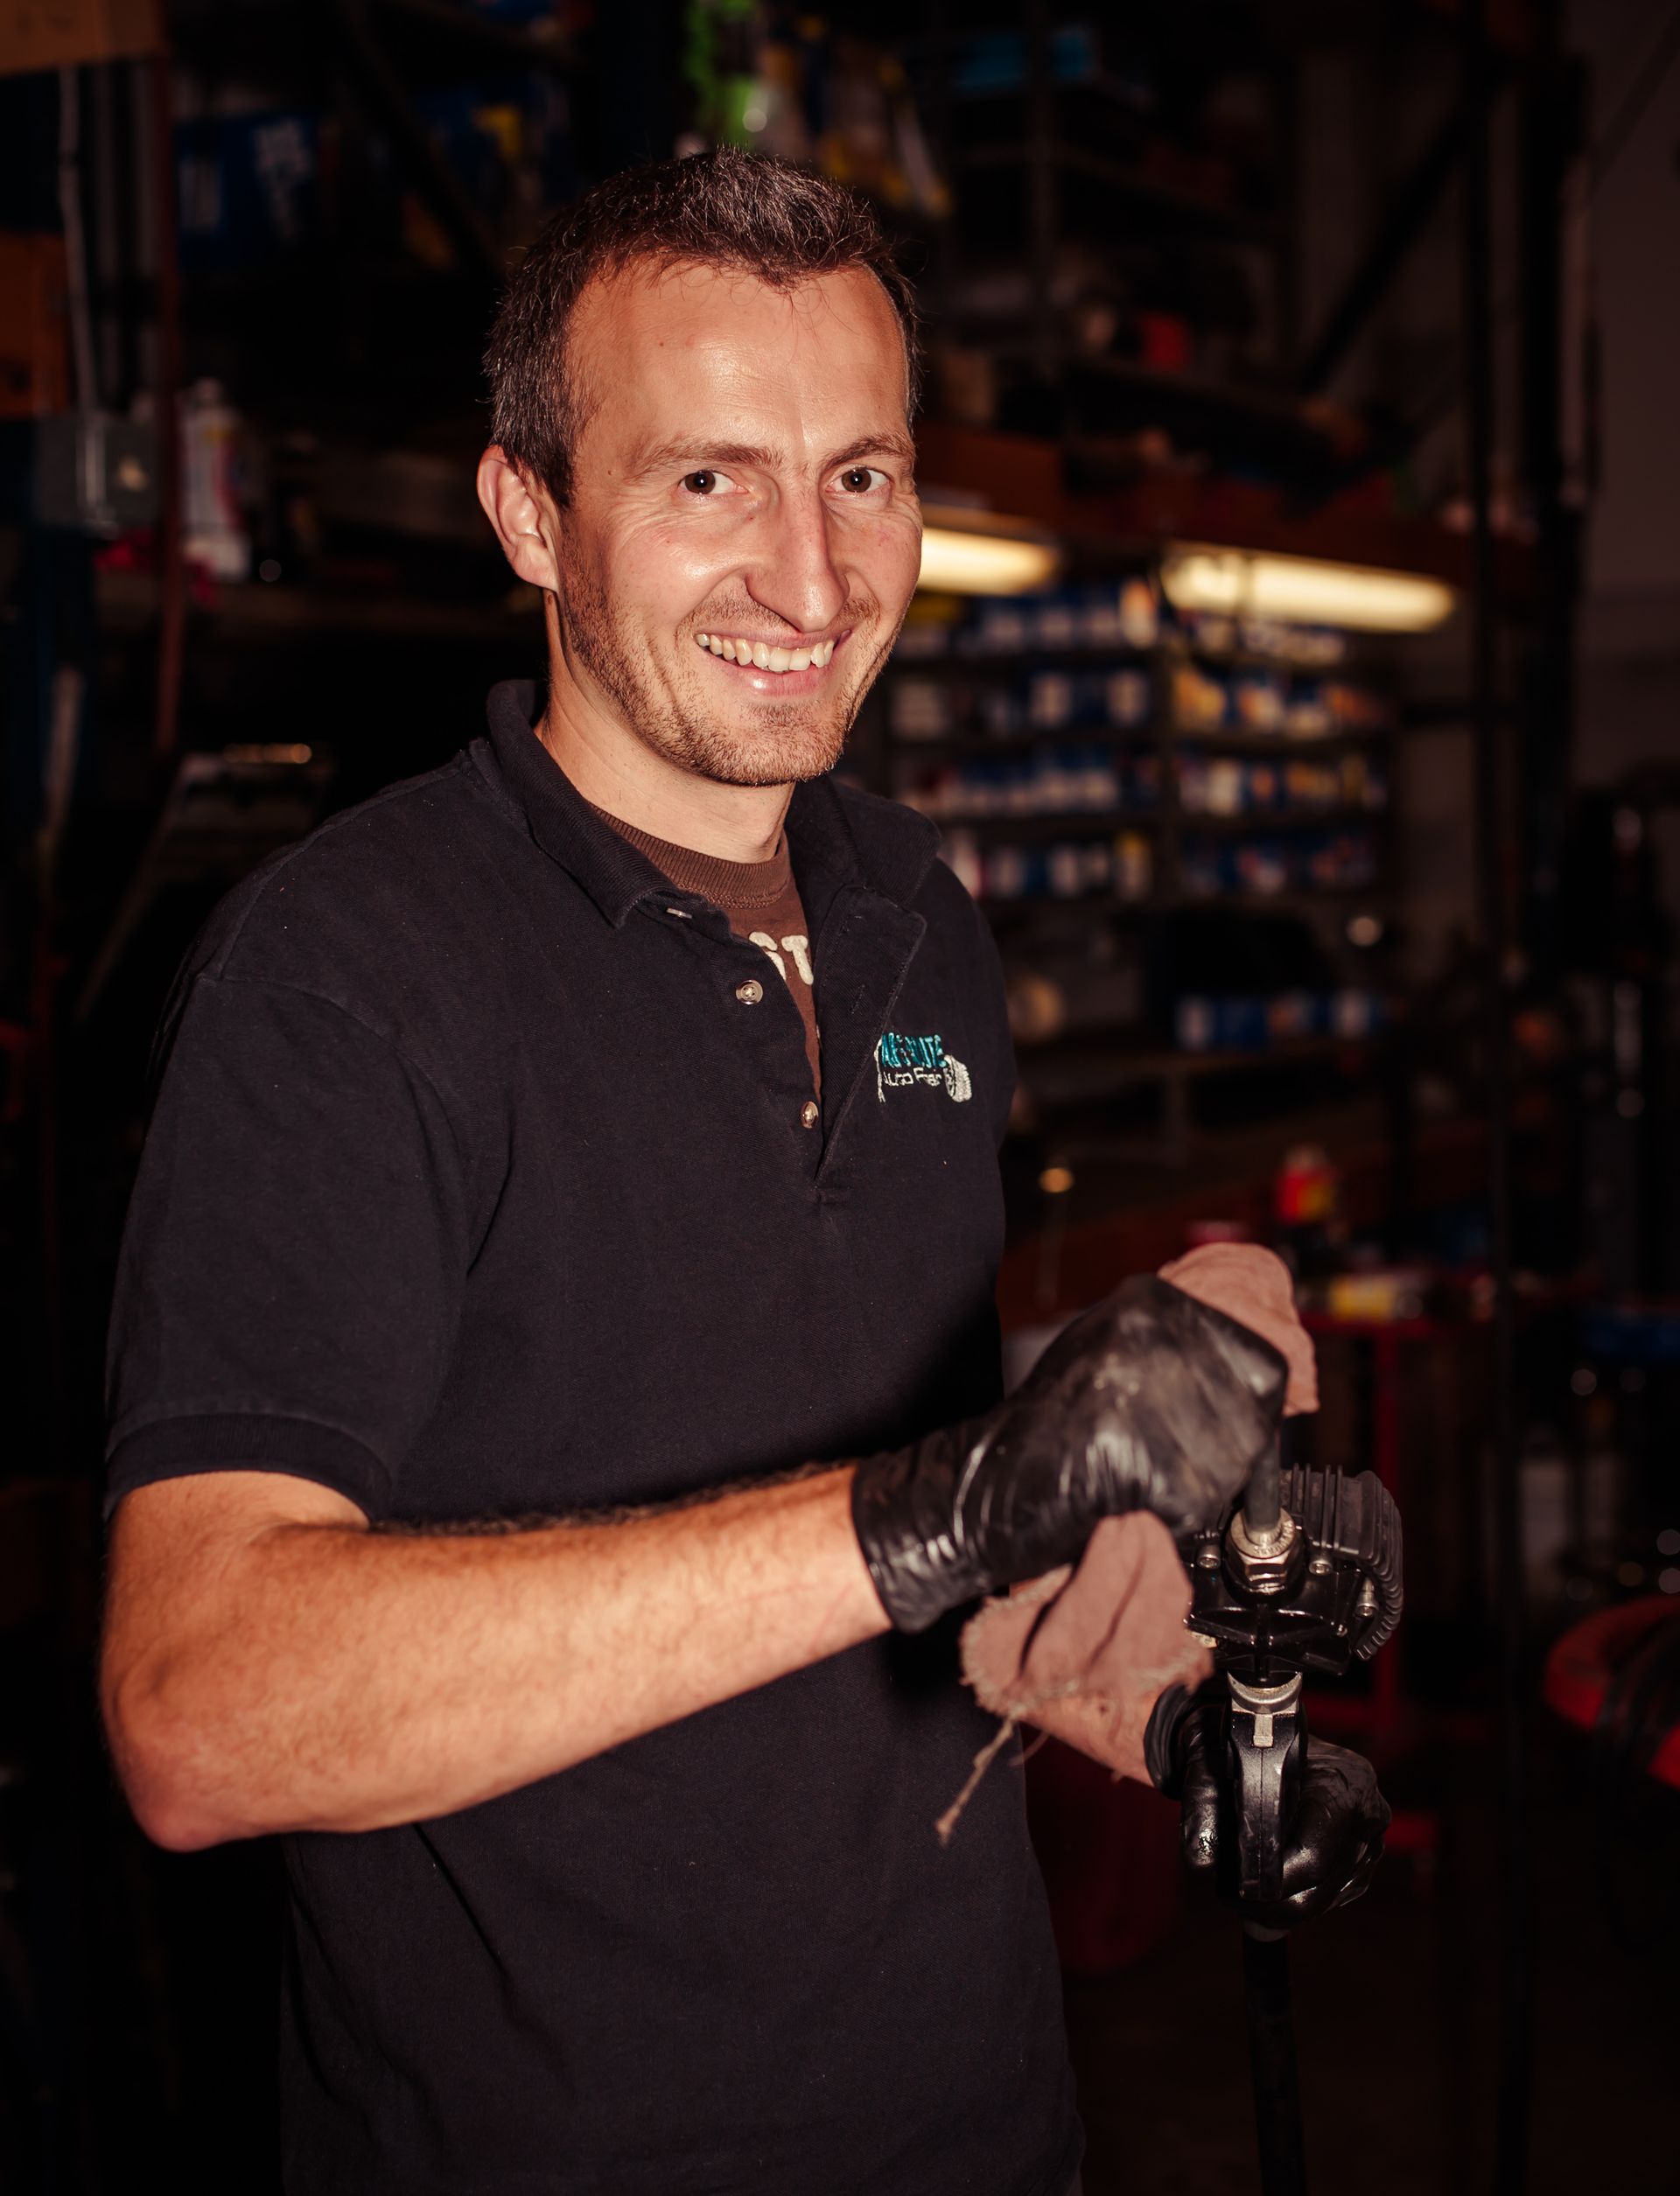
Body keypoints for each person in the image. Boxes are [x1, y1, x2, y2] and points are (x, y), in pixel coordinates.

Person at [99, 150, 1385, 2196]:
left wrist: (1163, 1718)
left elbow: (882, 1574)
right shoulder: (351, 975)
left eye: (860, 475)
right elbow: (200, 1707)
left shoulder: (913, 921)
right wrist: (924, 1507)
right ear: (530, 512)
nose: (812, 577)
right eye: (708, 480)